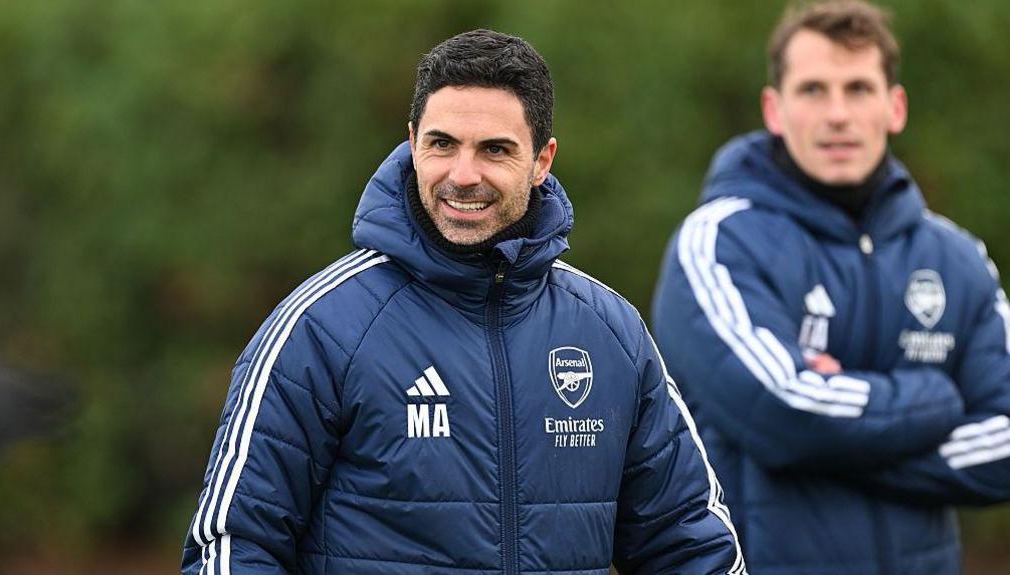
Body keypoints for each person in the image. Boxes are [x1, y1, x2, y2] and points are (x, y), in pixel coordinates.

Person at [183, 29, 745, 575]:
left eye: (495, 150)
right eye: (442, 144)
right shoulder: (322, 327)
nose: (463, 174)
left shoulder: (610, 331)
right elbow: (234, 547)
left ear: (542, 160)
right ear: (412, 142)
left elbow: (690, 545)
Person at [653, 1, 1010, 573]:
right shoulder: (719, 243)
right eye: (814, 90)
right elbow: (786, 411)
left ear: (895, 107)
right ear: (775, 109)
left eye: (859, 89)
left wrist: (829, 439)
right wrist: (934, 398)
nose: (837, 114)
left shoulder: (956, 258)